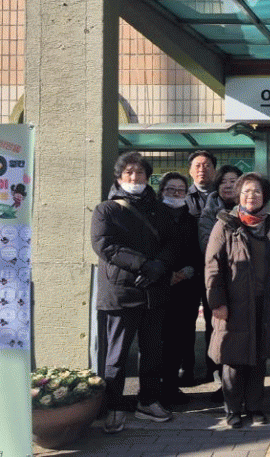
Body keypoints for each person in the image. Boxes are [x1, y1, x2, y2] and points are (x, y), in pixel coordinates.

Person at [91, 152, 179, 433]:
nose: (134, 177)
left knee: (152, 352)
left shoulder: (160, 210)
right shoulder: (106, 209)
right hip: (121, 292)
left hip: (154, 291)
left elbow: (173, 243)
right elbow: (104, 245)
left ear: (148, 177)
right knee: (116, 356)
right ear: (118, 177)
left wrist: (160, 266)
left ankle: (148, 401)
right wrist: (143, 264)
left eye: (140, 172)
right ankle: (114, 407)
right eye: (128, 172)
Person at [205, 173, 270, 429]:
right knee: (233, 358)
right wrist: (216, 301)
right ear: (239, 195)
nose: (252, 196)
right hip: (234, 303)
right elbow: (212, 264)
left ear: (265, 196)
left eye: (257, 191)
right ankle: (233, 409)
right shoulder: (225, 224)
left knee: (259, 358)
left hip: (265, 302)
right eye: (246, 191)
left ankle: (255, 407)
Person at [157, 172, 201, 407]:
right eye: (170, 189)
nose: (175, 194)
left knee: (178, 341)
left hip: (185, 289)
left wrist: (185, 273)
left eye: (180, 190)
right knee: (156, 342)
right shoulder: (152, 216)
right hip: (158, 287)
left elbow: (197, 251)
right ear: (162, 190)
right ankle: (152, 390)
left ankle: (171, 388)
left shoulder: (192, 220)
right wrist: (167, 275)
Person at [184, 150, 218, 387]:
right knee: (185, 322)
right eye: (197, 165)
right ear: (190, 170)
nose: (202, 169)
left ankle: (213, 368)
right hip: (189, 270)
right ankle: (186, 368)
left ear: (214, 170)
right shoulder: (183, 196)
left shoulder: (221, 196)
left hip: (214, 270)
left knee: (214, 321)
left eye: (207, 165)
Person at [198, 165, 243, 252]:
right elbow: (207, 244)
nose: (228, 185)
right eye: (223, 182)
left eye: (233, 181)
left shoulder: (249, 209)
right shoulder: (209, 212)